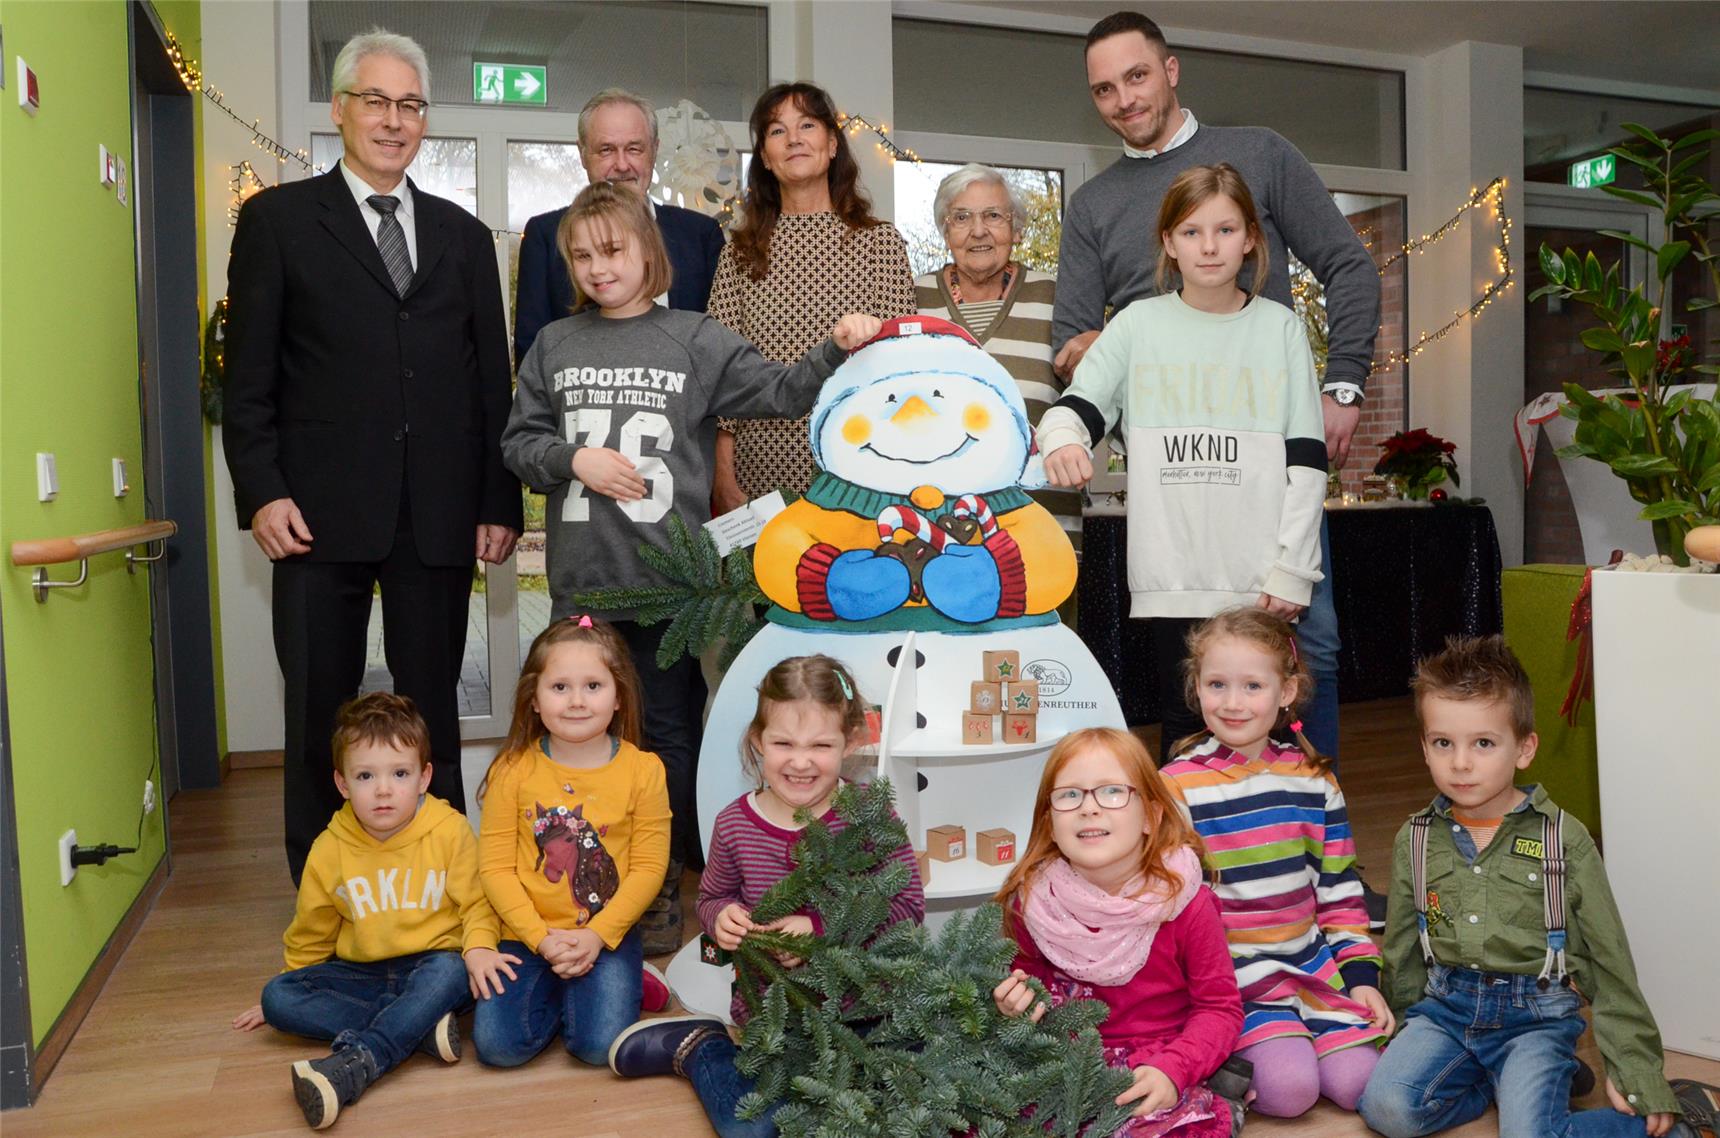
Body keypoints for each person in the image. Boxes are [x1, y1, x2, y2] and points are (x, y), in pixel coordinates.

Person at [501, 182, 881, 953]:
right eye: (581, 256)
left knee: (669, 735)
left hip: (673, 588)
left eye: (612, 251)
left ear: (649, 250)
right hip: (585, 587)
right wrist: (574, 458)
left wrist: (837, 347)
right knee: (582, 736)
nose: (598, 269)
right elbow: (518, 444)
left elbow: (780, 391)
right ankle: (586, 878)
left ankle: (662, 885)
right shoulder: (555, 344)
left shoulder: (695, 338)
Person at [223, 29, 522, 886]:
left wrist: (498, 500)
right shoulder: (277, 221)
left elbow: (488, 383)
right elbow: (249, 380)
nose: (394, 121)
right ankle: (327, 892)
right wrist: (261, 491)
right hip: (315, 513)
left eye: (410, 105)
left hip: (435, 514)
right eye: (376, 102)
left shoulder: (465, 237)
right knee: (321, 705)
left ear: (425, 118)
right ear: (341, 110)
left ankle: (447, 881)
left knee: (435, 707)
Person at [1055, 10, 1381, 768]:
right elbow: (1072, 343)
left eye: (1136, 76)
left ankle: (1310, 826)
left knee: (1309, 645)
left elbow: (1347, 266)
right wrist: (1139, 349)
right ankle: (1193, 846)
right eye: (1104, 89)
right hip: (1178, 482)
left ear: (1171, 70)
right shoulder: (1094, 206)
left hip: (1268, 461)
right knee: (1189, 670)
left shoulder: (1259, 155)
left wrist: (1341, 384)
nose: (1124, 99)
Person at [1038, 164, 1326, 761]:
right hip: (1173, 576)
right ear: (1169, 242)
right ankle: (1183, 856)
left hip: (1259, 580)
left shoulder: (1281, 330)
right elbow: (1075, 409)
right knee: (1184, 729)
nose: (1210, 246)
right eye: (1192, 232)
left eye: (1225, 229)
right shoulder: (1137, 326)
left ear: (1250, 237)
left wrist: (1293, 569)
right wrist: (1062, 440)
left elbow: (1307, 462)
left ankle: (1264, 850)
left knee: (1263, 732)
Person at [1359, 636, 1701, 1138]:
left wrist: (1636, 1074)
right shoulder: (1415, 837)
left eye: (1483, 743)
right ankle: (1500, 1084)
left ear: (1524, 748)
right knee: (1387, 1108)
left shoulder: (1564, 839)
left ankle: (1679, 1127)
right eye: (1443, 743)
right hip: (1447, 1008)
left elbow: (1610, 965)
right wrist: (1403, 1028)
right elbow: (1405, 945)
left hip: (1535, 1016)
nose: (1460, 763)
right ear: (1425, 747)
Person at [605, 654, 925, 1138]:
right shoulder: (735, 824)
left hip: (867, 1013)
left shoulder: (869, 816)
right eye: (783, 743)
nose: (800, 761)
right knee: (749, 1130)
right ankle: (701, 1047)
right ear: (758, 742)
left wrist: (818, 929)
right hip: (772, 1019)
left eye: (821, 744)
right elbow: (711, 899)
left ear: (851, 742)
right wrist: (723, 918)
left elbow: (907, 908)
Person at [231, 693, 515, 1130]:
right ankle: (418, 1031)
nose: (383, 790)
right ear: (343, 784)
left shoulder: (450, 831)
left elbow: (478, 904)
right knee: (277, 997)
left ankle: (360, 1061)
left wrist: (478, 947)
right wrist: (295, 983)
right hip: (362, 974)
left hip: (433, 965)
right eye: (366, 775)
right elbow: (312, 931)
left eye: (399, 774)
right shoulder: (328, 849)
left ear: (423, 778)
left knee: (452, 972)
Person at [1160, 609, 1389, 1119]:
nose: (1233, 703)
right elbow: (1169, 906)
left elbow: (1339, 893)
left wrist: (1363, 979)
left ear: (1286, 692)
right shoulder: (1175, 785)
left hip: (1312, 968)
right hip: (1231, 979)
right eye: (1217, 684)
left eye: (1252, 686)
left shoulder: (1315, 781)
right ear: (1196, 688)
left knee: (1358, 1086)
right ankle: (1223, 1064)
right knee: (1291, 1092)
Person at [992, 727, 1244, 1137]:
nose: (1088, 809)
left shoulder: (1187, 906)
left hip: (1156, 1062)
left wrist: (1173, 1069)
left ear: (1151, 816)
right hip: (1064, 1064)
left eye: (1111, 792)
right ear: (1050, 823)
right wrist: (1013, 1004)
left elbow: (1220, 1010)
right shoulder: (1035, 903)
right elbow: (1025, 985)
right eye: (1070, 795)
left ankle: (1214, 1097)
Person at [470, 617, 671, 1068]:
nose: (577, 701)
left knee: (599, 1048)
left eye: (593, 686)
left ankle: (617, 982)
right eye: (560, 687)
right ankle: (581, 991)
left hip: (605, 934)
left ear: (619, 696)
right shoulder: (512, 770)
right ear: (535, 700)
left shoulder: (646, 771)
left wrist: (597, 937)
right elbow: (496, 870)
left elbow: (649, 868)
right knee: (499, 1049)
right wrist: (541, 941)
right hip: (525, 934)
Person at [710, 81, 917, 513]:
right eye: (777, 131)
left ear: (833, 144)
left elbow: (903, 364)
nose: (794, 139)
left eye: (807, 124)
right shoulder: (738, 253)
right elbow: (721, 374)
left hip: (860, 458)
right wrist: (722, 475)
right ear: (765, 157)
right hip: (759, 464)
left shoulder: (880, 243)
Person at [914, 163, 1083, 580]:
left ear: (1018, 229)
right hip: (936, 535)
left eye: (993, 215)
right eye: (961, 217)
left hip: (1042, 528)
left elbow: (1090, 397)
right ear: (945, 230)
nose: (977, 231)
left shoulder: (1056, 297)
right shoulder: (913, 298)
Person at [513, 87, 726, 364]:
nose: (622, 165)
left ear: (654, 151)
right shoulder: (546, 235)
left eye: (634, 149)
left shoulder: (701, 235)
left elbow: (720, 347)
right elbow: (531, 352)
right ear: (582, 154)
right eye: (606, 150)